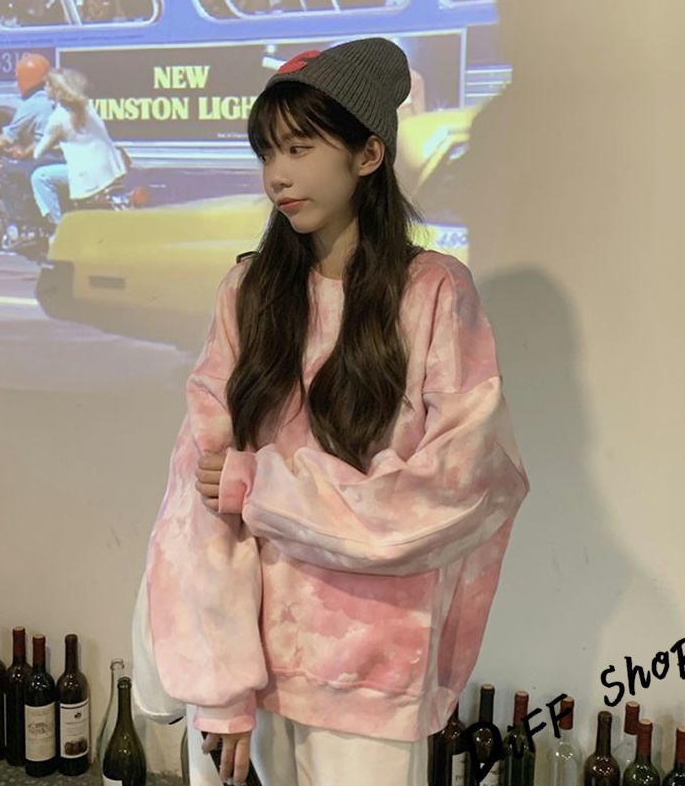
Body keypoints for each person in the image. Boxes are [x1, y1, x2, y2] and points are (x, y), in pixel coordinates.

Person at [139, 38, 529, 786]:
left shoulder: (434, 294)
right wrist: (220, 687)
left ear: (369, 154)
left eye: (300, 148)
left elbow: (453, 493)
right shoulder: (249, 294)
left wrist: (265, 489)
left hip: (372, 674)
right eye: (267, 153)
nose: (277, 175)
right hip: (251, 668)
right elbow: (197, 497)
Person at [0, 53, 63, 221]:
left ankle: (21, 221)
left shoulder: (32, 103)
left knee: (3, 170)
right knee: (20, 166)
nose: (16, 84)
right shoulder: (53, 100)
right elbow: (43, 138)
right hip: (59, 156)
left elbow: (5, 138)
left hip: (48, 158)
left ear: (25, 79)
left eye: (18, 79)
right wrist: (24, 151)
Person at [31, 68, 127, 227]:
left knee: (39, 177)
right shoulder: (88, 106)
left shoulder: (57, 118)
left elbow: (37, 153)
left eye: (47, 85)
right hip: (113, 167)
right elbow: (84, 137)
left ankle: (58, 227)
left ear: (56, 90)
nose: (44, 88)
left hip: (88, 175)